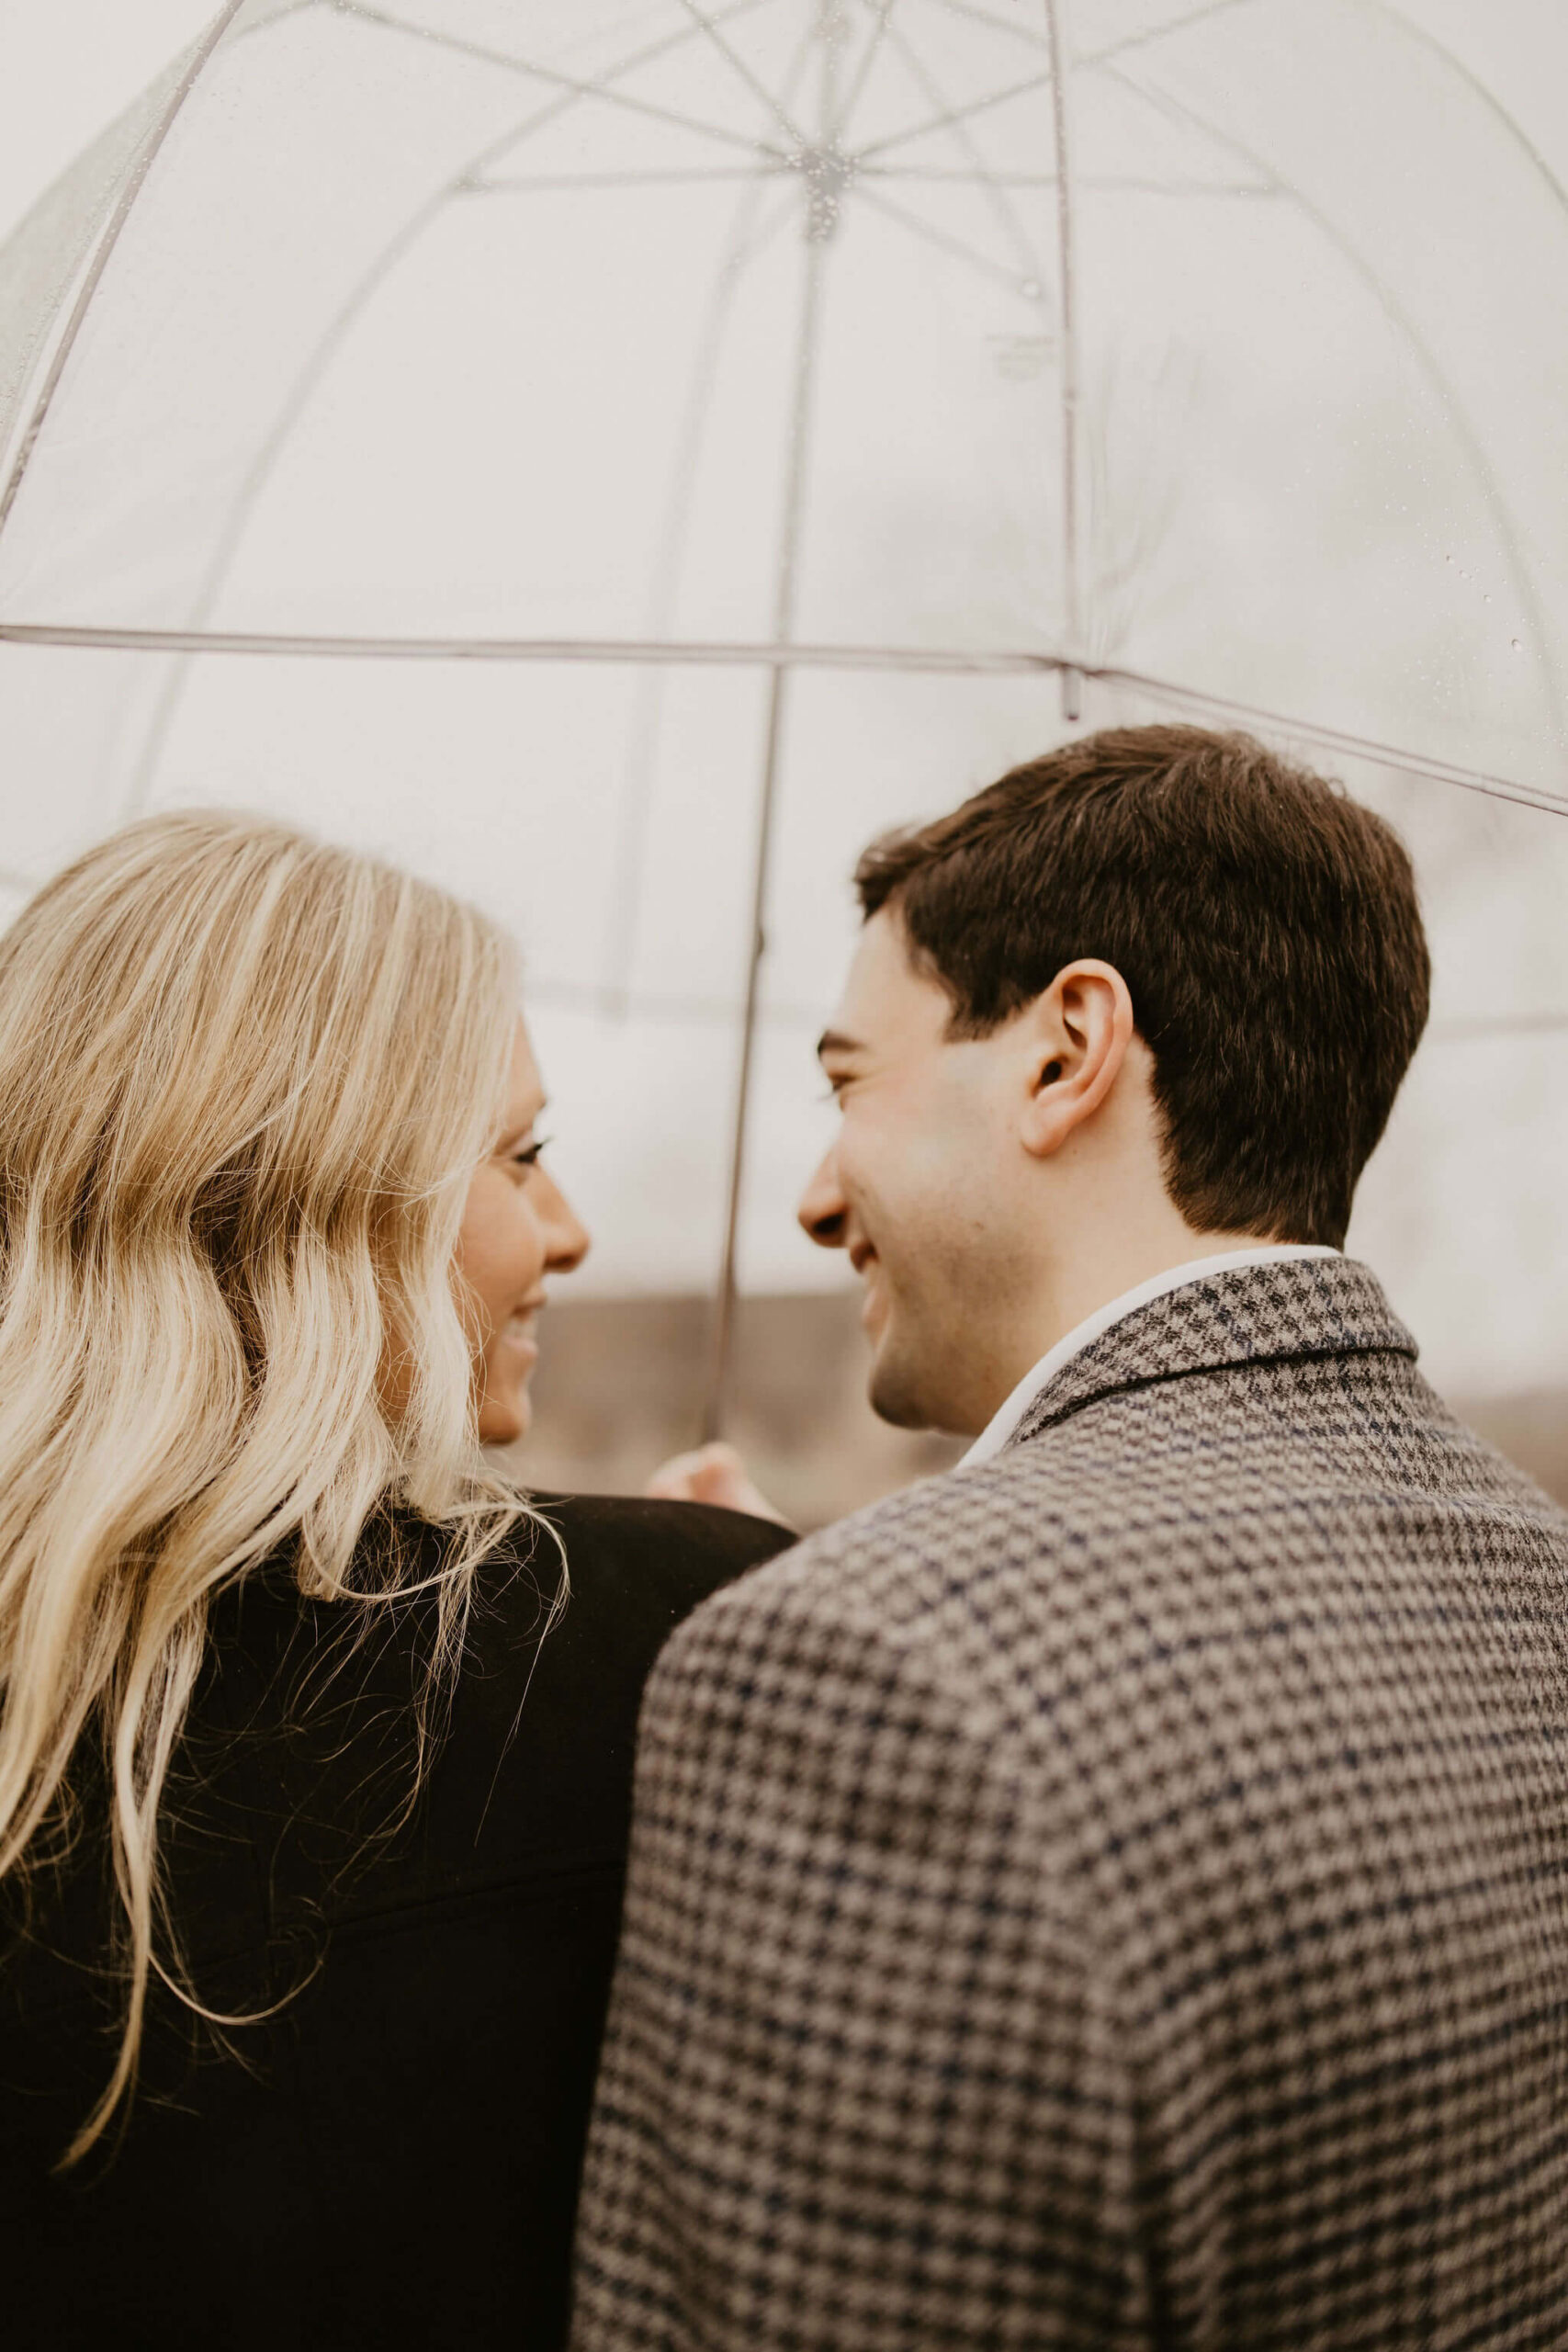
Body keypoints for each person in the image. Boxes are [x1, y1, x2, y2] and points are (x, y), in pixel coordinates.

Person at [573, 724, 1568, 2349]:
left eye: (848, 1086)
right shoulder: (1535, 1578)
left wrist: (838, 1640)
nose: (818, 1199)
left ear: (1064, 1053)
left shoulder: (861, 1674)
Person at [0, 810, 791, 2351]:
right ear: (329, 1197)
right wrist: (757, 1608)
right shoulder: (681, 1643)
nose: (565, 1228)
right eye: (521, 1155)